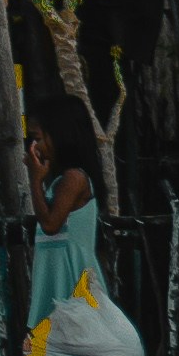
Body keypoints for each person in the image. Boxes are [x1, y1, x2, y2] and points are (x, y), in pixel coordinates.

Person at [27, 118, 104, 327]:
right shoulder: (60, 181)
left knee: (73, 335)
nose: (34, 147)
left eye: (37, 139)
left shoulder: (74, 178)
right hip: (55, 267)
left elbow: (51, 225)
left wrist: (35, 180)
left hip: (70, 269)